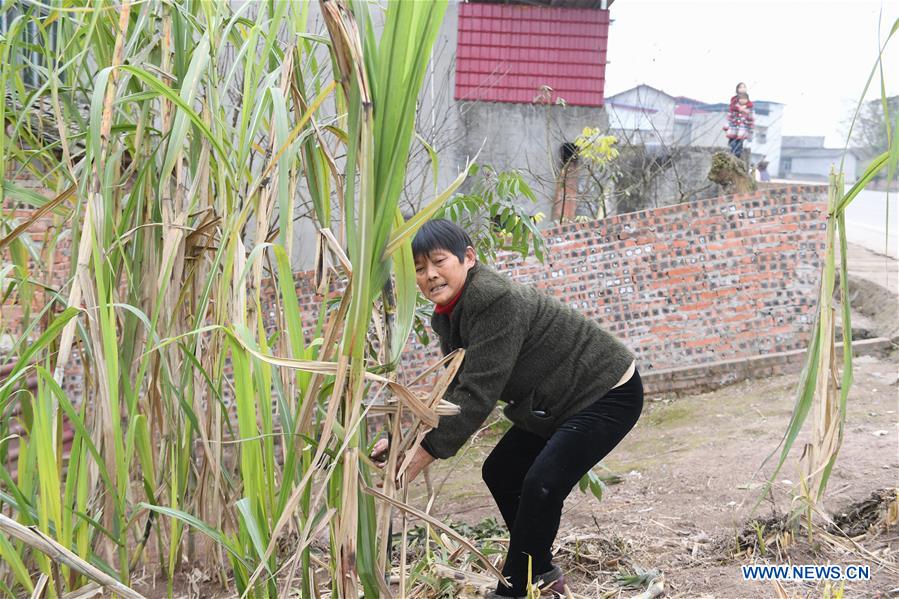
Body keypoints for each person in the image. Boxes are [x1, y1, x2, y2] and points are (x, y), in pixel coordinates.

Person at [373, 219, 643, 598]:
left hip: (606, 391)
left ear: (469, 257)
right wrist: (406, 441)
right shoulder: (450, 314)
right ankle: (541, 572)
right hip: (556, 401)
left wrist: (424, 452)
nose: (430, 274)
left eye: (438, 261)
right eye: (419, 268)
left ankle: (515, 587)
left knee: (541, 484)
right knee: (502, 471)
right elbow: (457, 387)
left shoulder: (492, 298)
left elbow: (478, 394)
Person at [725, 82, 754, 158]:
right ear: (737, 89)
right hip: (734, 126)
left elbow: (750, 115)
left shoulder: (748, 104)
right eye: (740, 87)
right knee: (732, 141)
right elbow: (731, 109)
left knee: (739, 142)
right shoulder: (734, 99)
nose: (742, 89)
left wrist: (750, 127)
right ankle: (732, 153)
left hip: (742, 127)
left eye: (744, 87)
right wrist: (740, 109)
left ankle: (737, 155)